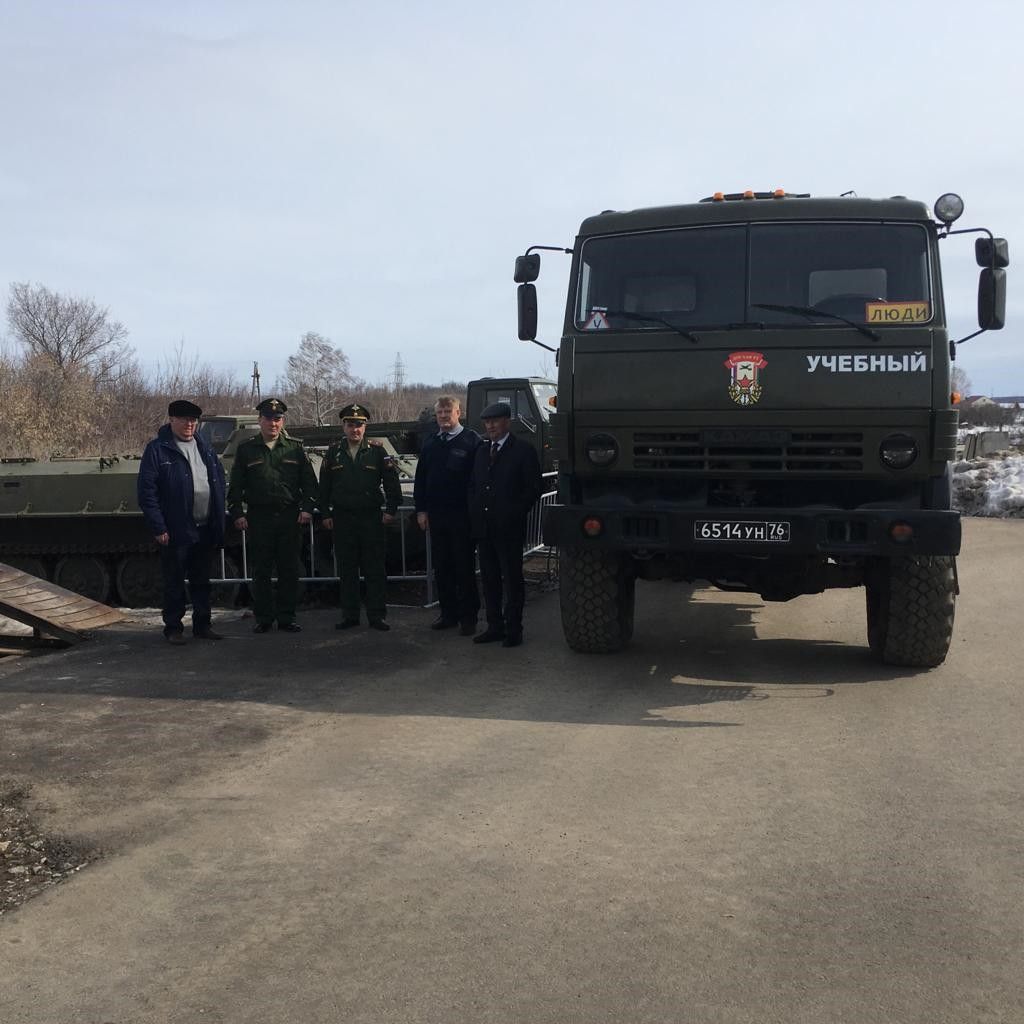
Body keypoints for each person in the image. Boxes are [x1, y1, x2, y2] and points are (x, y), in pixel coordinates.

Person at [137, 399, 227, 645]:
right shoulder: (158, 450)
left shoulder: (204, 447)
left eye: (194, 420)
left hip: (204, 526)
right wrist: (159, 526)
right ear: (172, 420)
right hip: (176, 528)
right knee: (174, 581)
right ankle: (174, 628)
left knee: (201, 580)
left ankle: (202, 624)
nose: (190, 425)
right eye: (185, 420)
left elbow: (217, 479)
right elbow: (147, 492)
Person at [226, 397, 318, 634]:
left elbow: (309, 484)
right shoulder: (247, 449)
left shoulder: (295, 448)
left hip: (289, 517)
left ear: (283, 421)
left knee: (289, 569)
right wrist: (237, 512)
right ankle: (264, 617)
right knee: (261, 570)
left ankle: (287, 617)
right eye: (268, 419)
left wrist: (307, 508)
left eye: (277, 419)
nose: (273, 424)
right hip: (260, 517)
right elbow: (235, 486)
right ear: (260, 421)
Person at [319, 402, 402, 631]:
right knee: (347, 570)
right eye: (350, 425)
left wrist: (391, 510)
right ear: (343, 427)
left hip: (370, 518)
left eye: (359, 425)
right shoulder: (334, 452)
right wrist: (325, 513)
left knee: (374, 568)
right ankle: (350, 615)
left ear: (365, 427)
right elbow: (324, 486)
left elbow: (392, 483)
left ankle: (377, 615)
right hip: (343, 518)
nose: (355, 429)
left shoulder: (377, 451)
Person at [468, 401, 542, 647]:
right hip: (485, 527)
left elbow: (532, 488)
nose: (490, 426)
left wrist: (515, 512)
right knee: (489, 579)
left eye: (495, 421)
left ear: (506, 422)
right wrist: (475, 511)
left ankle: (513, 629)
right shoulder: (481, 451)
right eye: (487, 422)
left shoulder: (522, 450)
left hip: (508, 528)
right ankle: (494, 626)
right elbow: (474, 485)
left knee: (511, 579)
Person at [414, 396, 481, 635]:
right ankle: (448, 614)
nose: (443, 416)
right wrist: (421, 510)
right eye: (440, 412)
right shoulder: (431, 441)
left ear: (458, 413)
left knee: (463, 567)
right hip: (437, 516)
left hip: (462, 516)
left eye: (448, 411)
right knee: (442, 568)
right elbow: (421, 479)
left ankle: (468, 617)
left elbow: (478, 481)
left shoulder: (472, 440)